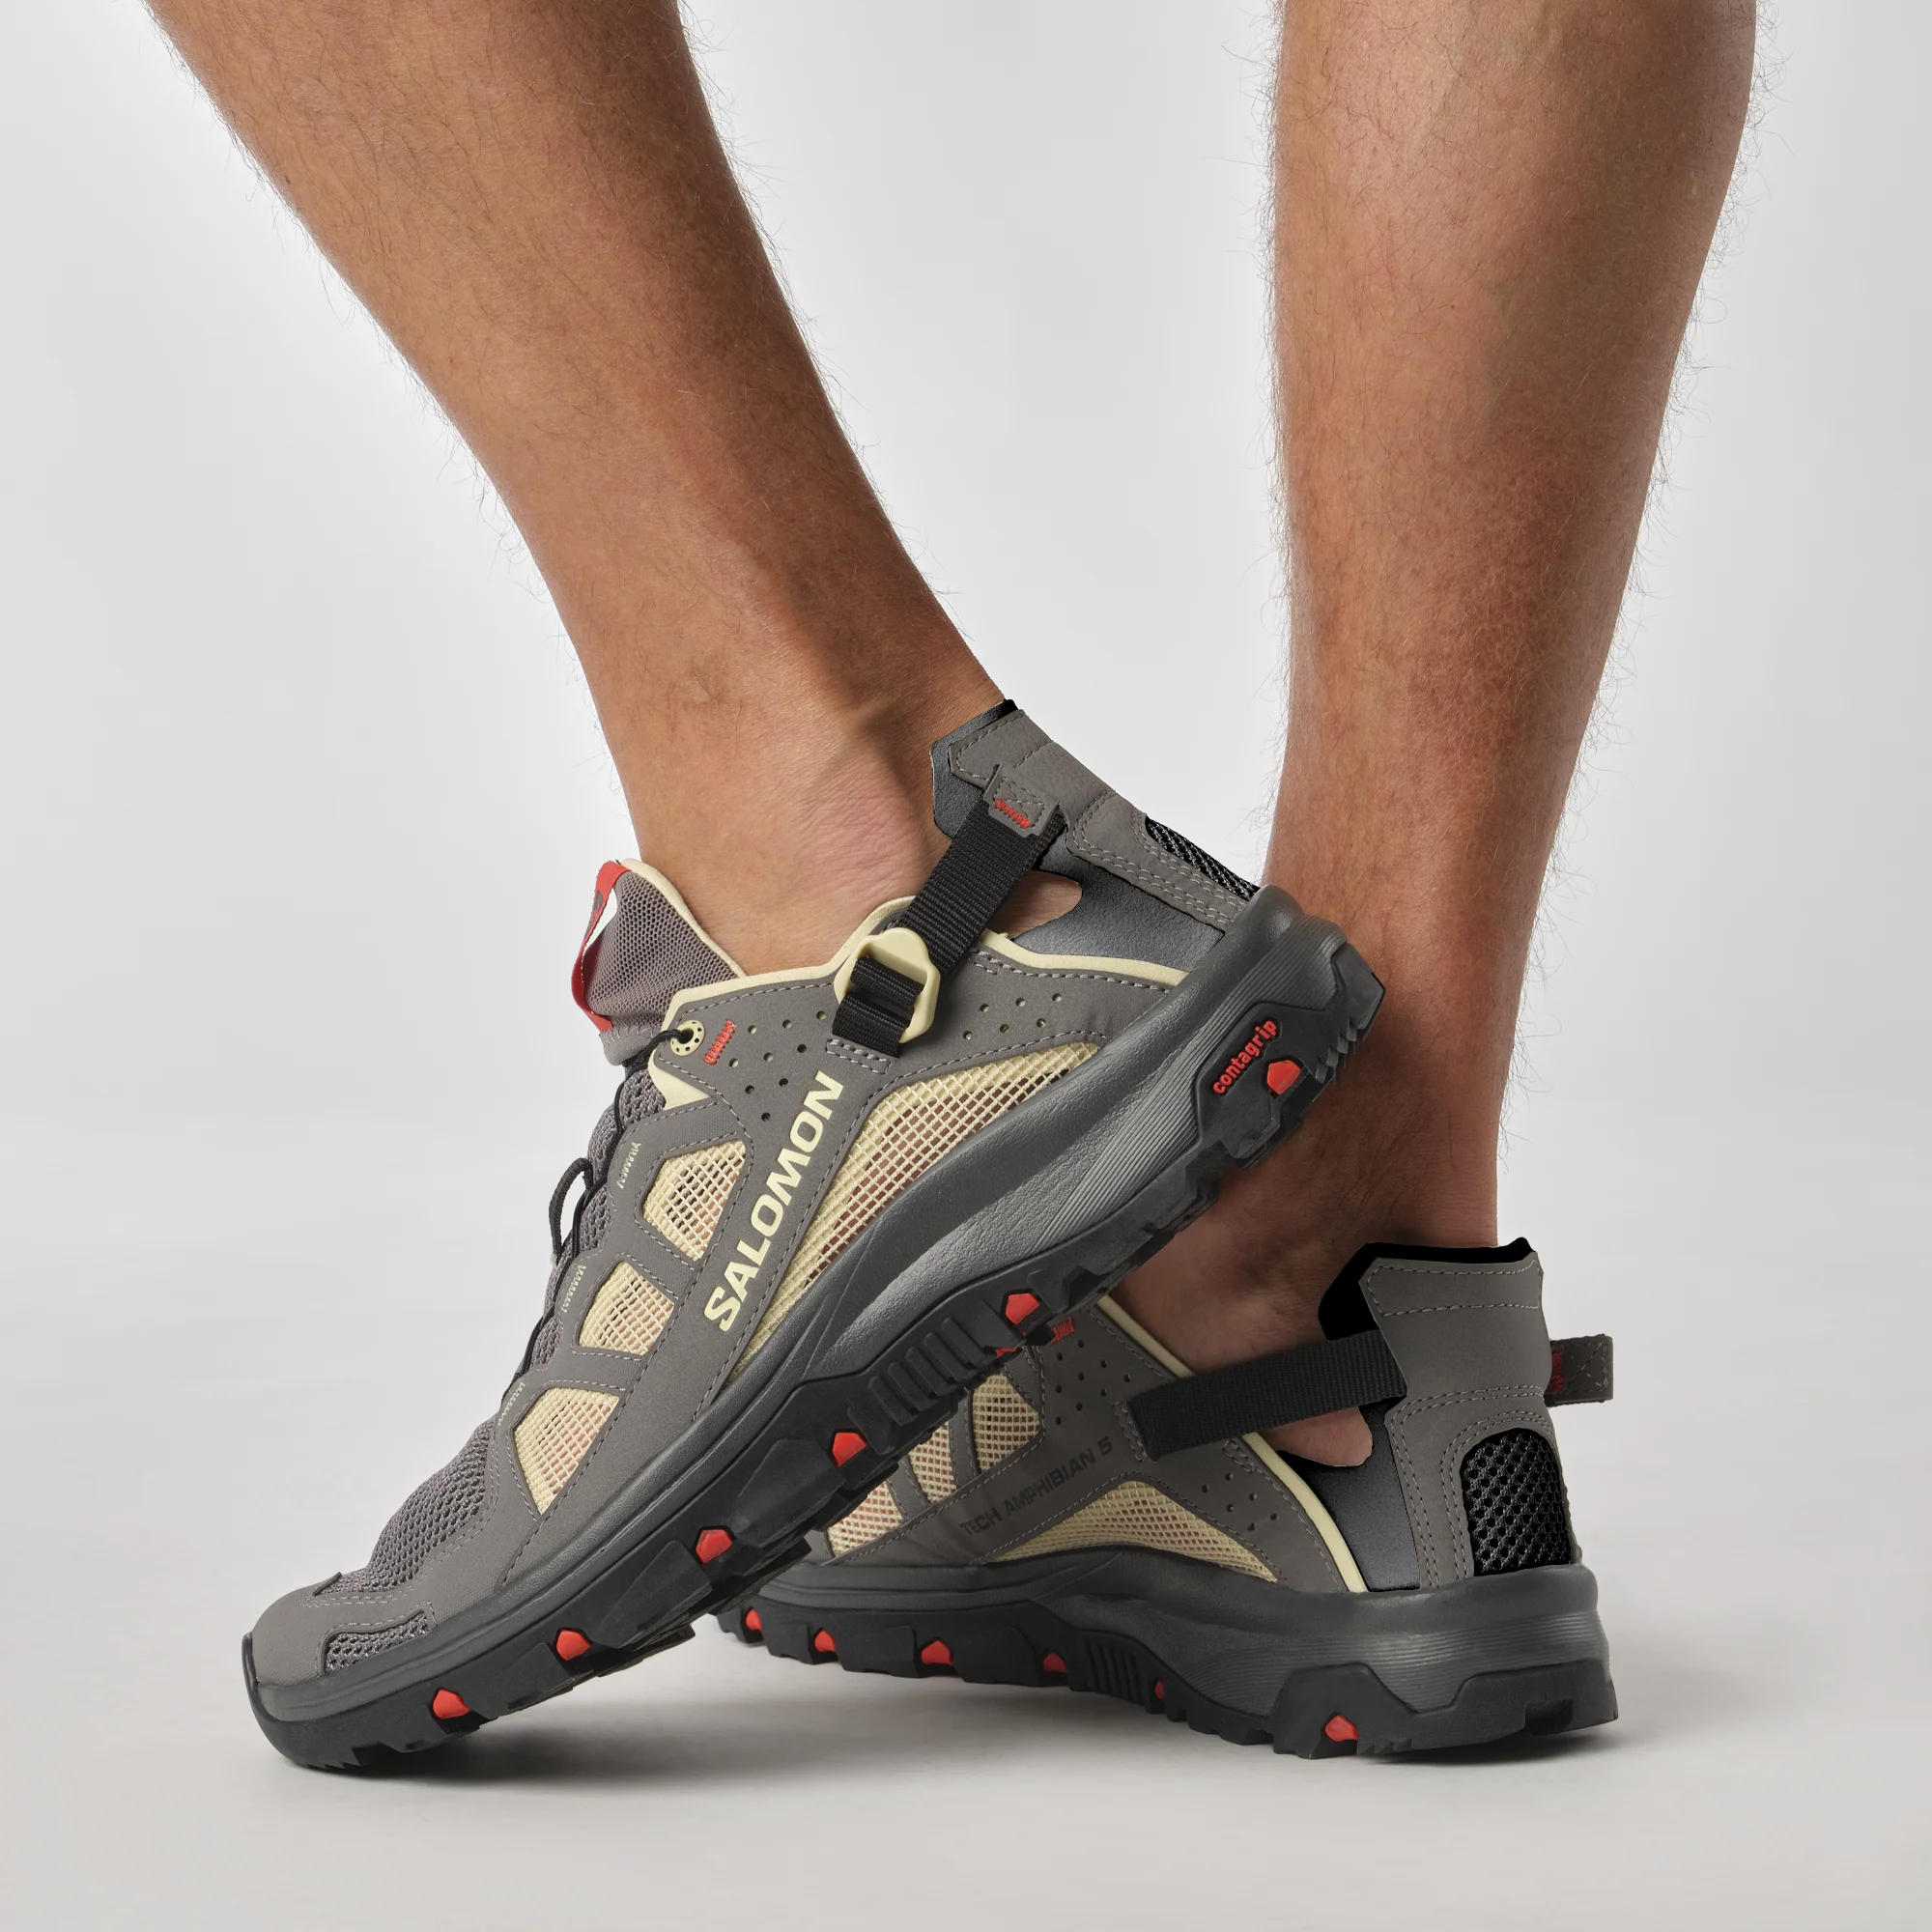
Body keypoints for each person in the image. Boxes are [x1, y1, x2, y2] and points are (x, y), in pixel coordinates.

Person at [145, 0, 1754, 1765]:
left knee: (832, 821)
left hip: (906, 953)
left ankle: (850, 892)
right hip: (1395, 1433)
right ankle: (1350, 1298)